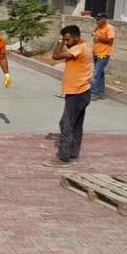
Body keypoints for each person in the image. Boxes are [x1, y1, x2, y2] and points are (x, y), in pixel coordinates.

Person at [45, 25, 94, 168]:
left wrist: (59, 41)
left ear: (76, 38)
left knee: (66, 124)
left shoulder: (78, 48)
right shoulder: (84, 45)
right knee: (76, 125)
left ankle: (63, 157)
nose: (66, 43)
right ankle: (73, 153)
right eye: (64, 40)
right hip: (82, 91)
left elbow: (55, 55)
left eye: (67, 40)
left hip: (77, 92)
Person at [91, 13, 116, 100]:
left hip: (104, 54)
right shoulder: (98, 27)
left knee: (96, 75)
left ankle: (94, 93)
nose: (97, 21)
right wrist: (94, 33)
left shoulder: (109, 28)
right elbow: (94, 34)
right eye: (96, 19)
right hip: (96, 53)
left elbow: (110, 41)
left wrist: (99, 37)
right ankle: (100, 92)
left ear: (104, 19)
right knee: (100, 74)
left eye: (99, 19)